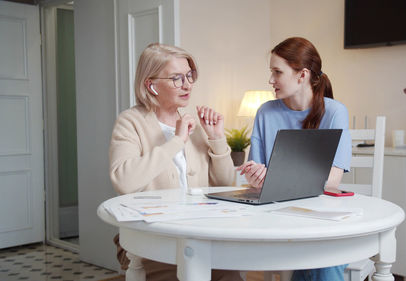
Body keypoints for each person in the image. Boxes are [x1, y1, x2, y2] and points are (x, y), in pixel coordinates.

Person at [109, 43, 242, 281]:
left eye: (189, 76)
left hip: (197, 234)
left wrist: (217, 139)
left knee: (231, 275)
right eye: (177, 78)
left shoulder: (193, 124)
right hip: (148, 239)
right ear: (151, 85)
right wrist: (177, 141)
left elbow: (226, 184)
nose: (187, 84)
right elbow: (124, 181)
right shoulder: (130, 121)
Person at [237, 37, 352, 281]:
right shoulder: (265, 112)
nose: (270, 80)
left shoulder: (334, 112)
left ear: (302, 75)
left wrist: (275, 177)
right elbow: (254, 176)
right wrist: (255, 176)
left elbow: (333, 180)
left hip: (322, 218)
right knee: (319, 261)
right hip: (275, 217)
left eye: (277, 72)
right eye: (271, 72)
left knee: (322, 259)